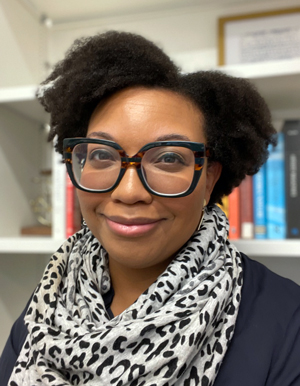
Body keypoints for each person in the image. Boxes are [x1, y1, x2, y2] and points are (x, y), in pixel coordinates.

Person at [1, 31, 300, 386]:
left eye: (169, 158)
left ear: (208, 180)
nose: (129, 192)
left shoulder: (287, 322)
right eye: (100, 154)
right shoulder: (50, 301)